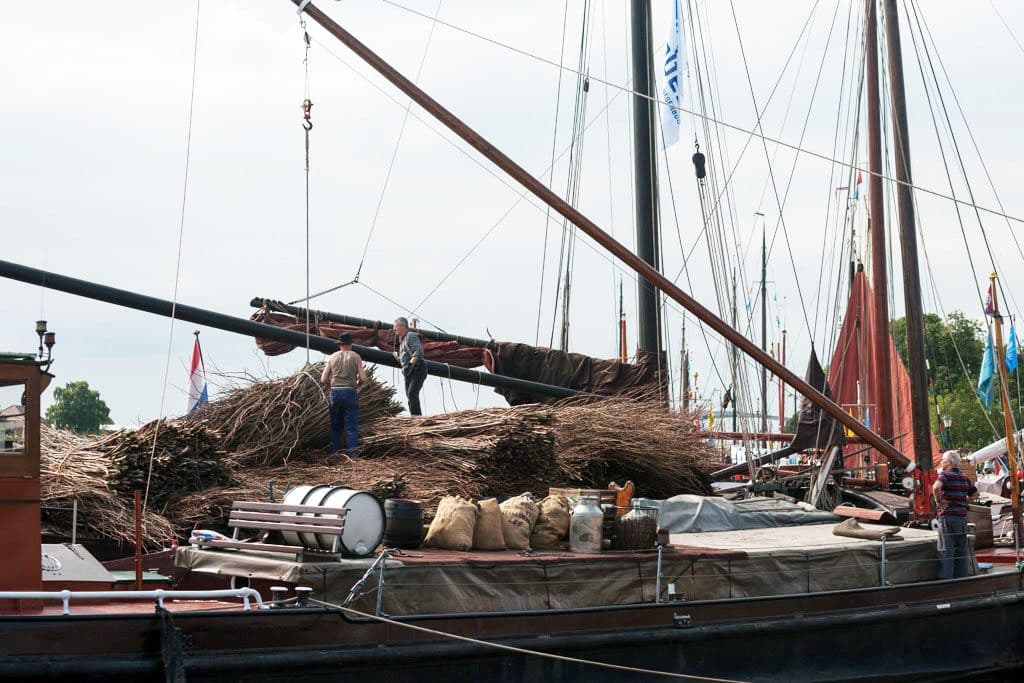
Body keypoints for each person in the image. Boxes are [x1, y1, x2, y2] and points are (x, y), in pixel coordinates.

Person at [932, 450, 978, 580]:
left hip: (948, 517)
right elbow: (975, 493)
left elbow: (936, 487)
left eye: (943, 460)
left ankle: (946, 583)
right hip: (962, 518)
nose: (941, 462)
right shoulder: (964, 477)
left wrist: (939, 501)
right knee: (961, 551)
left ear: (950, 463)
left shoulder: (945, 475)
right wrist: (964, 502)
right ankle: (961, 581)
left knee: (946, 550)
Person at [320, 333, 366, 457]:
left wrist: (332, 385)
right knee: (351, 428)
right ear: (350, 344)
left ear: (340, 345)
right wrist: (357, 384)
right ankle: (352, 456)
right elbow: (363, 378)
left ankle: (334, 455)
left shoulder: (331, 357)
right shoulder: (355, 356)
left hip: (335, 393)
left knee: (335, 427)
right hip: (350, 392)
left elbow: (323, 379)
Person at [393, 316, 427, 416]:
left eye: (396, 327)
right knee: (409, 396)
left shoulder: (410, 336)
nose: (394, 329)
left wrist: (410, 365)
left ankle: (417, 418)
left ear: (403, 326)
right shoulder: (401, 341)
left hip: (417, 368)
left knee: (412, 394)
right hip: (408, 371)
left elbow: (418, 351)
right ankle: (414, 416)